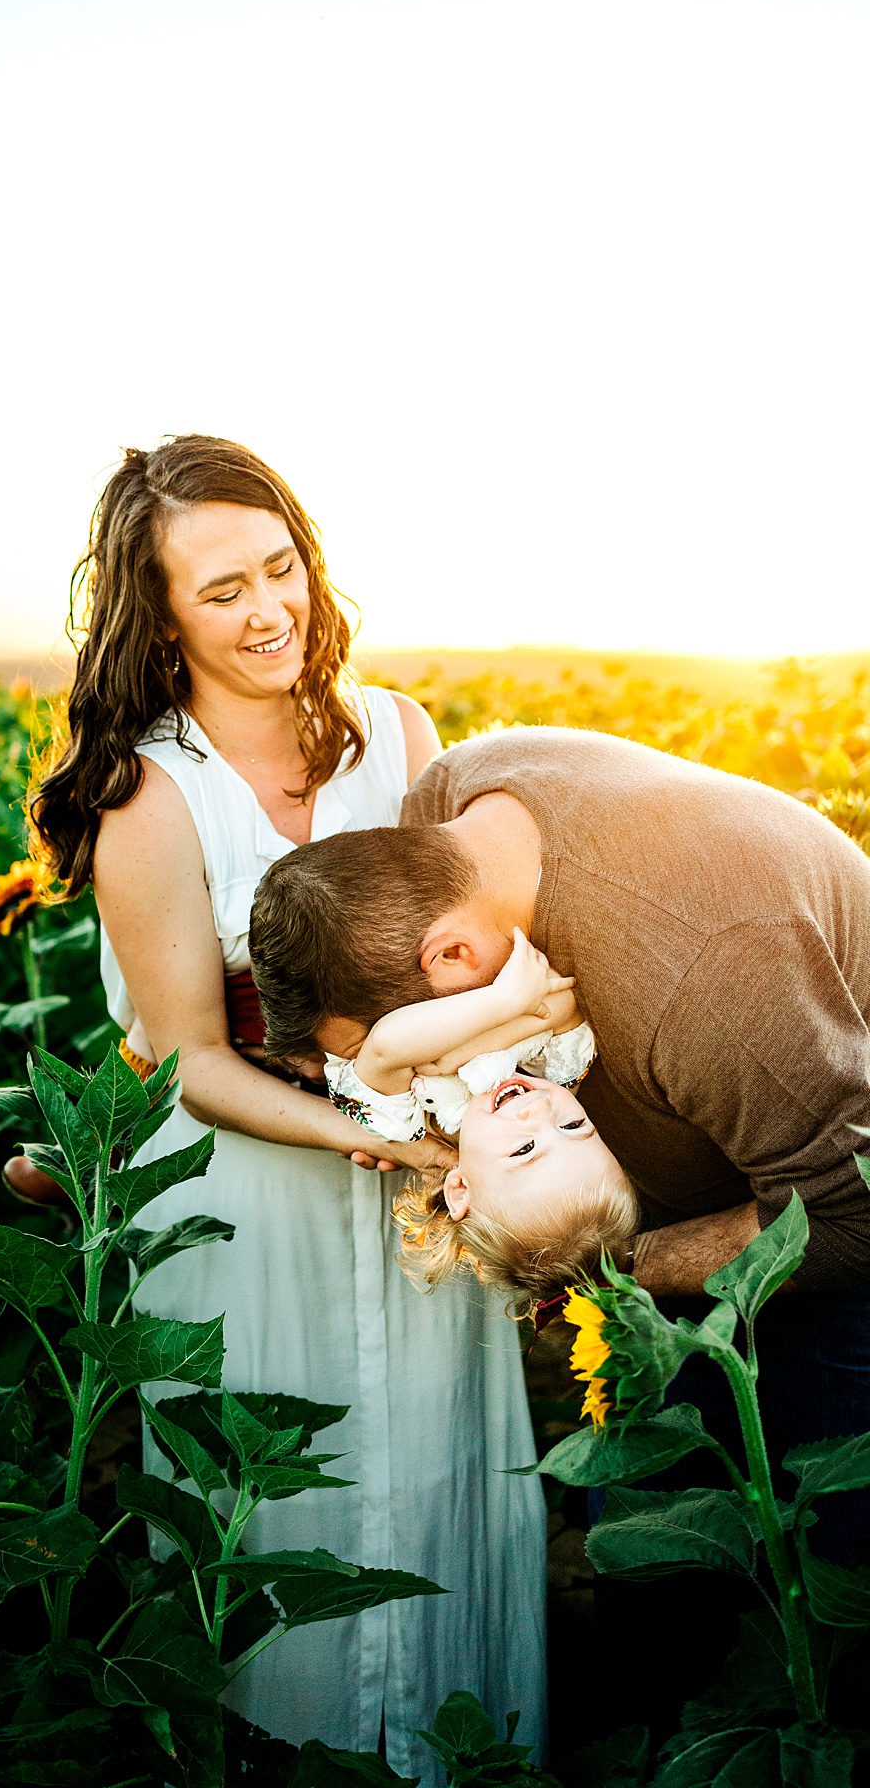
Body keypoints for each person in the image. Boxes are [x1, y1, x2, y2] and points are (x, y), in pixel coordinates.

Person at [13, 438, 548, 1773]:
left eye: (281, 568)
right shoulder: (151, 787)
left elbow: (460, 953)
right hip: (249, 1186)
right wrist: (357, 1133)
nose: (268, 612)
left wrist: (477, 1099)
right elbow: (190, 1054)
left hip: (428, 1165)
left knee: (437, 1457)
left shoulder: (400, 736)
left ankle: (453, 1753)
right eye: (221, 592)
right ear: (162, 616)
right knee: (275, 1488)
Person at [249, 721, 870, 1731]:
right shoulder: (456, 802)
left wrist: (614, 1267)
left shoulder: (701, 962)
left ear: (451, 955)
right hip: (675, 1167)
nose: (403, 1066)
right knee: (643, 1527)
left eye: (388, 1041)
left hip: (816, 1211)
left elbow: (852, 1212)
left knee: (823, 1568)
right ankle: (651, 1727)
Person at [319, 926, 639, 1301]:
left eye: (525, 1150)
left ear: (459, 1189)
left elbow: (386, 1045)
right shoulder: (554, 1072)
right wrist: (469, 1046)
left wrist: (508, 1004)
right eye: (574, 1125)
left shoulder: (402, 1122)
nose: (539, 1111)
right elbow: (564, 1001)